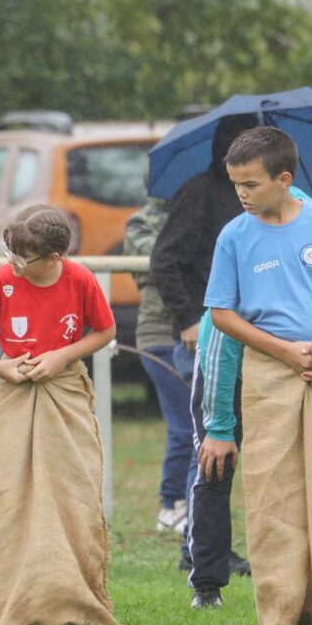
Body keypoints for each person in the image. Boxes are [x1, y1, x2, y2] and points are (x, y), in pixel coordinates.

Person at [205, 126, 312, 625]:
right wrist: (283, 351)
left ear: (284, 178)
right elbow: (222, 315)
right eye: (236, 185)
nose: (242, 195)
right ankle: (279, 610)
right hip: (269, 372)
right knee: (273, 491)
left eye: (250, 185)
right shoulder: (234, 235)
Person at [0, 204, 118, 625]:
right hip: (15, 390)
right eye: (11, 255)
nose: (15, 265)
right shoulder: (2, 280)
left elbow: (105, 329)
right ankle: (20, 603)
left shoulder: (79, 279)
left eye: (25, 259)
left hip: (66, 392)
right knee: (18, 493)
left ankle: (77, 599)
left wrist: (62, 355)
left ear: (55, 257)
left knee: (72, 491)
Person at [150, 114, 257, 580]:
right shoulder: (200, 193)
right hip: (203, 336)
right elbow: (164, 259)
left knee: (230, 445)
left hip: (249, 337)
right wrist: (188, 318)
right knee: (209, 442)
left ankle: (211, 544)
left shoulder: (260, 203)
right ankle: (198, 547)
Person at [123, 197, 193, 534]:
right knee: (184, 426)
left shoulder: (196, 211)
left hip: (195, 331)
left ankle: (187, 502)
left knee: (199, 425)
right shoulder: (141, 223)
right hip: (159, 335)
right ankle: (171, 503)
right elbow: (165, 257)